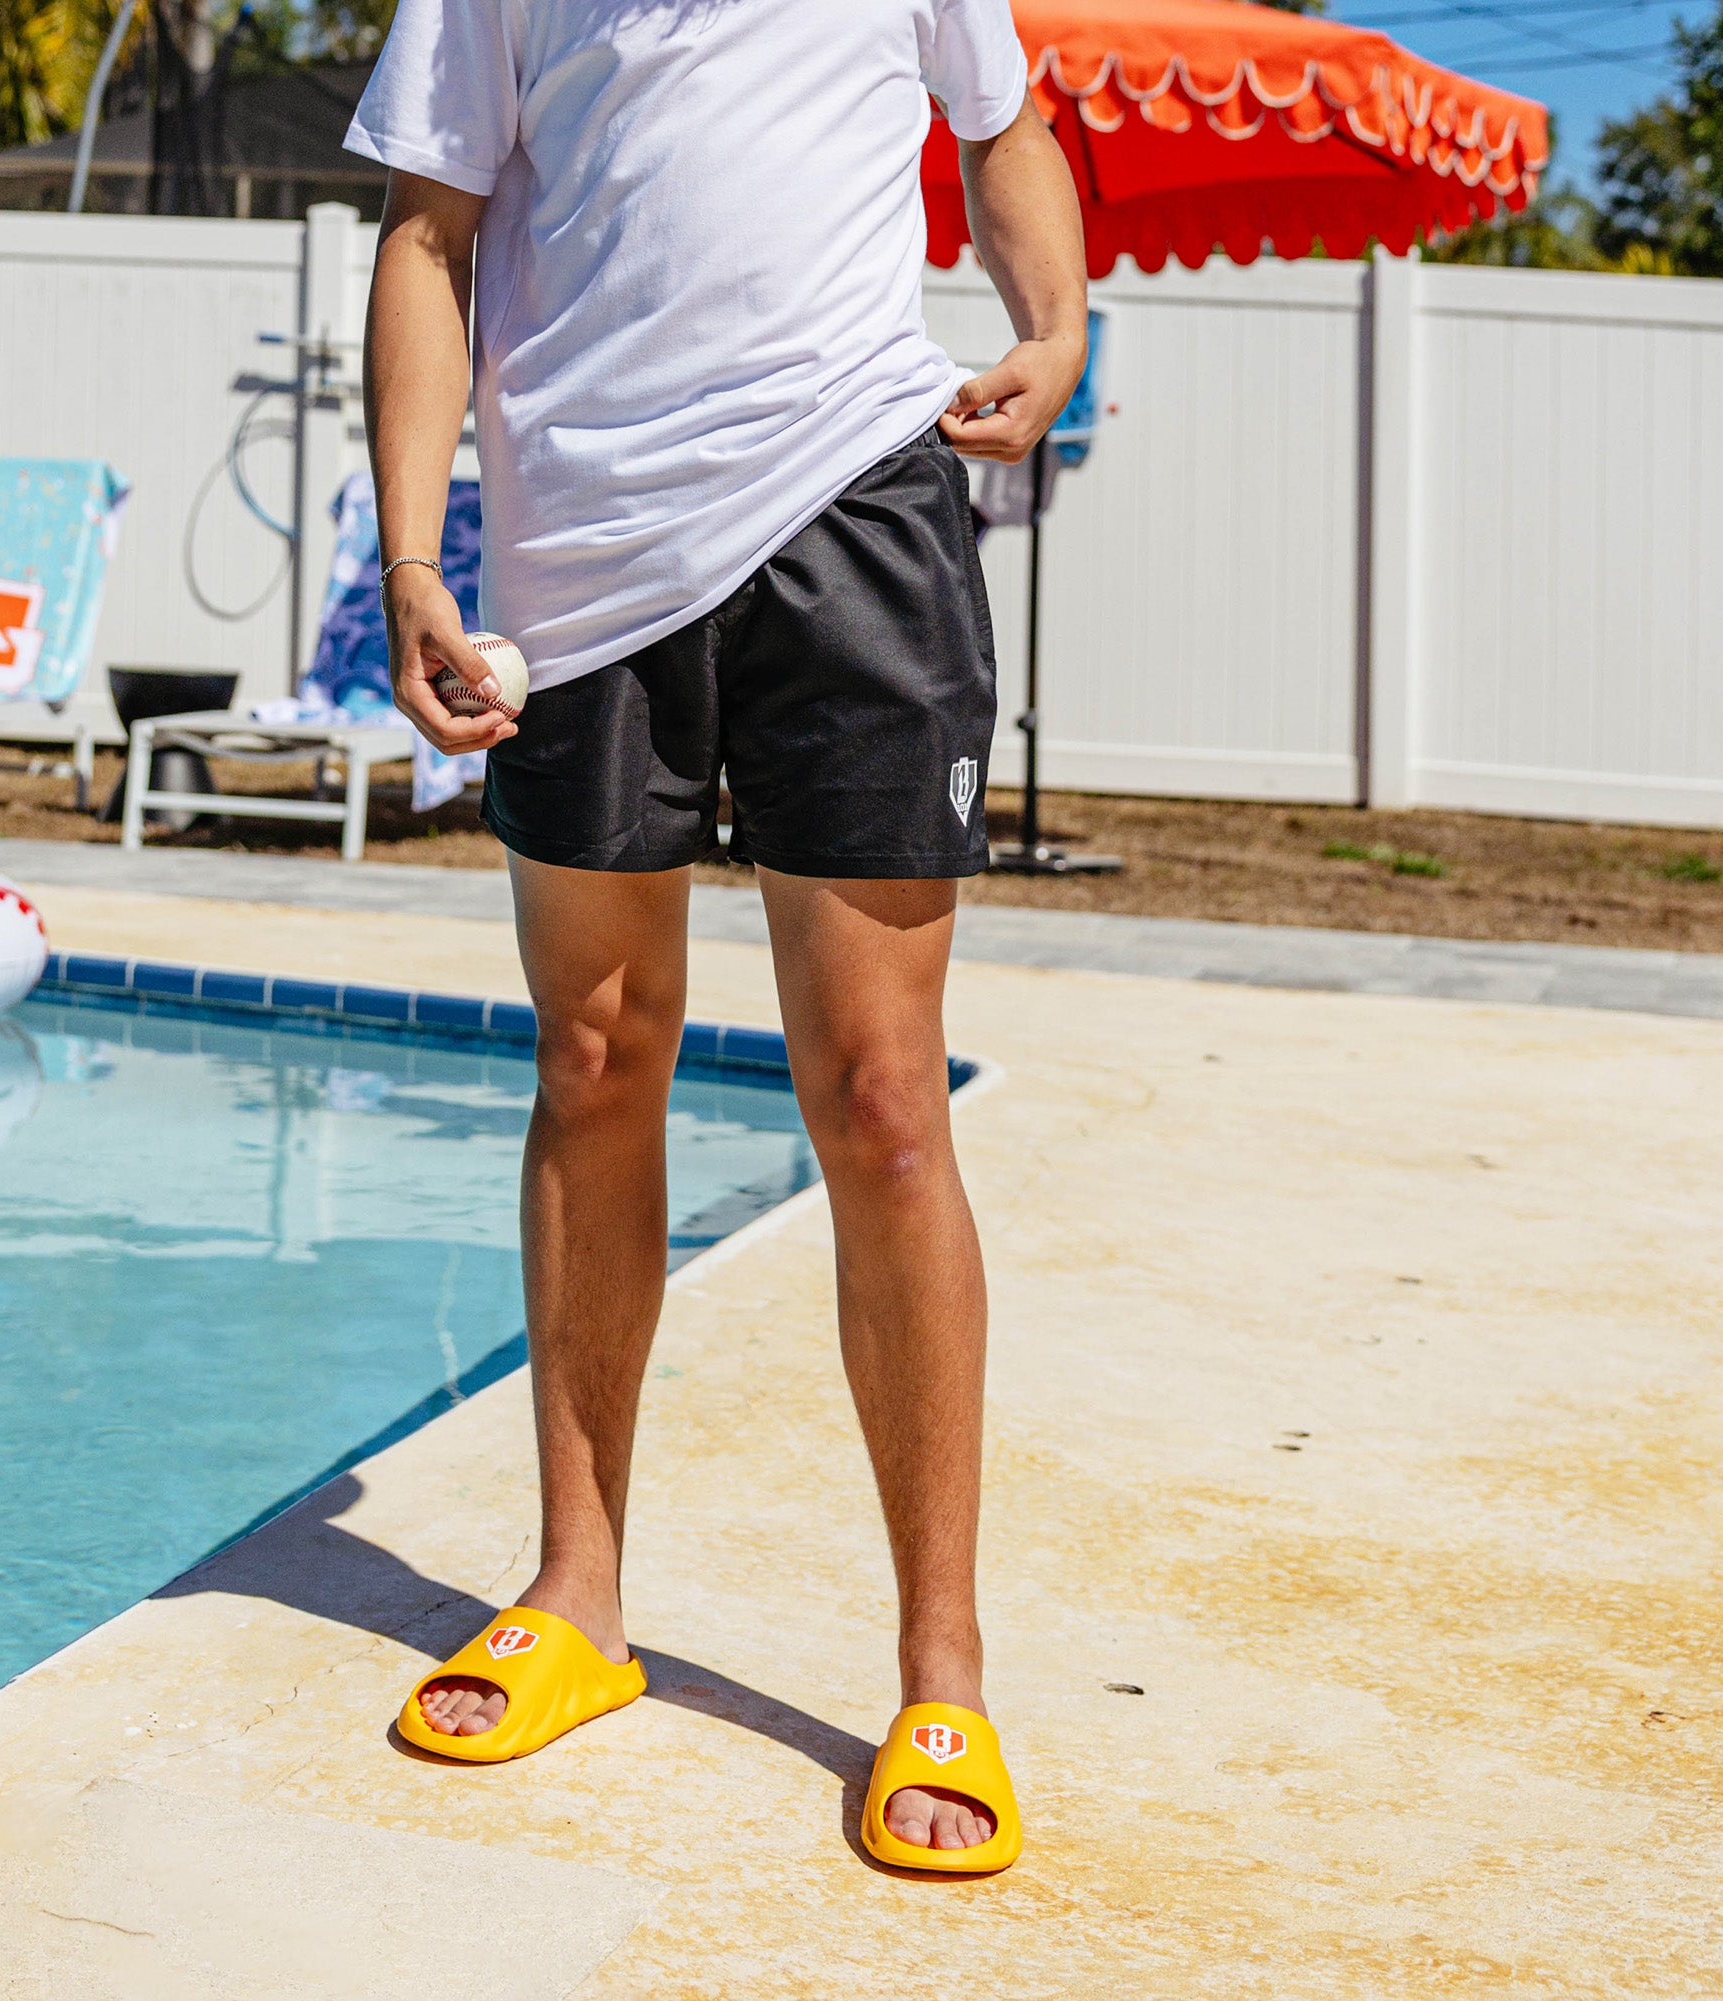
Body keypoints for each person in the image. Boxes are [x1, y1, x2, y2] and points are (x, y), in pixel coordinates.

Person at [348, 0, 1087, 1873]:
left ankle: (942, 1667)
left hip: (853, 502)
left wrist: (1054, 321)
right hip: (579, 560)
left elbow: (1001, 138)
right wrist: (416, 560)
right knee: (595, 1059)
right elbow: (426, 237)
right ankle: (578, 1593)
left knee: (882, 1100)